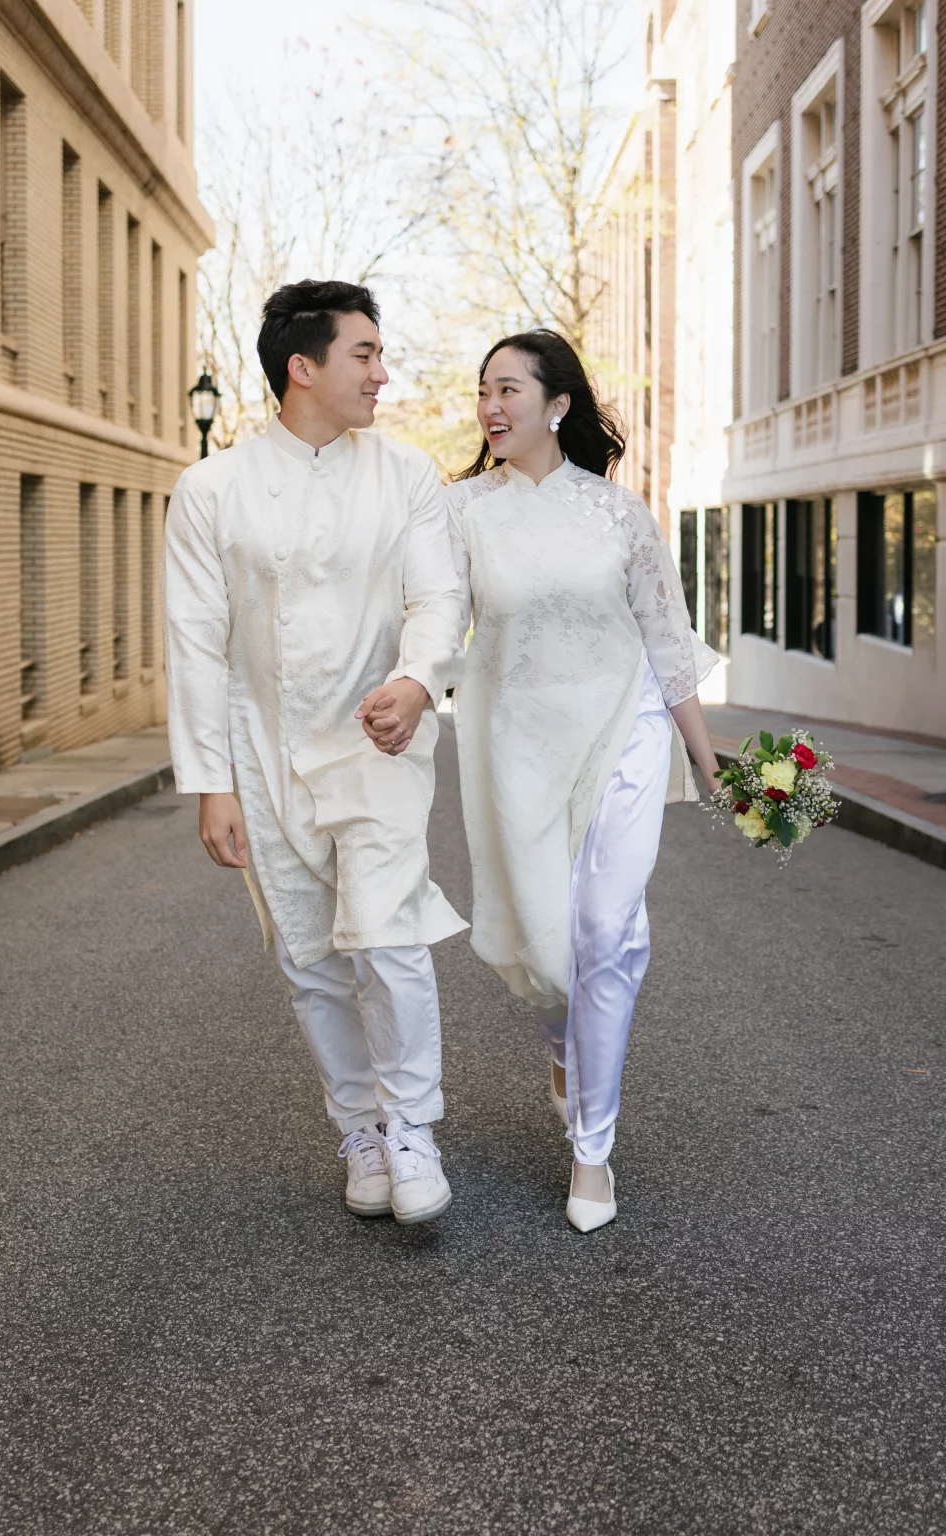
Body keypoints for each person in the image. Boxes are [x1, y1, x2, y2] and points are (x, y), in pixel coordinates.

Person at [162, 280, 468, 1225]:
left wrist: (418, 682)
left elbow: (437, 597)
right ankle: (361, 1131)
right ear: (304, 368)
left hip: (380, 745)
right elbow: (194, 641)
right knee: (311, 960)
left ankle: (413, 1128)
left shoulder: (406, 473)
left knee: (389, 939)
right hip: (264, 754)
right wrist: (211, 782)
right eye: (364, 353)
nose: (382, 372)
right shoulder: (210, 488)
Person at [446, 329, 721, 1234]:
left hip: (624, 730)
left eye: (509, 389)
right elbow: (436, 629)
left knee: (608, 930)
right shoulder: (462, 515)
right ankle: (563, 1042)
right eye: (484, 391)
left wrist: (702, 749)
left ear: (556, 403)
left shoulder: (617, 513)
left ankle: (592, 1150)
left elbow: (664, 630)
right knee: (550, 942)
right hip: (520, 746)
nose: (491, 406)